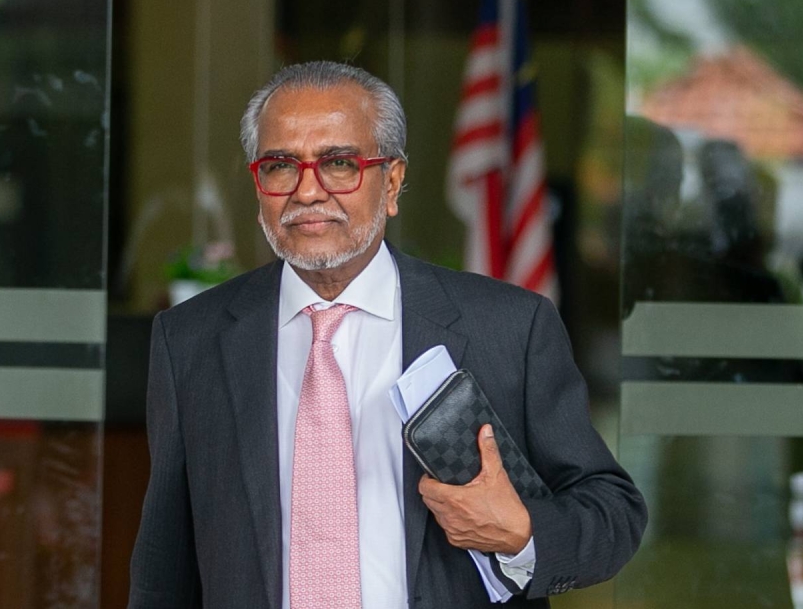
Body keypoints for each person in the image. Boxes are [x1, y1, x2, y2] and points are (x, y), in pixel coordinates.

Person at [129, 61, 647, 609]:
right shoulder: (190, 340)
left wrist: (521, 531)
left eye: (339, 164)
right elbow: (164, 567)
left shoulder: (509, 327)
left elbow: (613, 513)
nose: (308, 191)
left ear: (393, 181)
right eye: (281, 166)